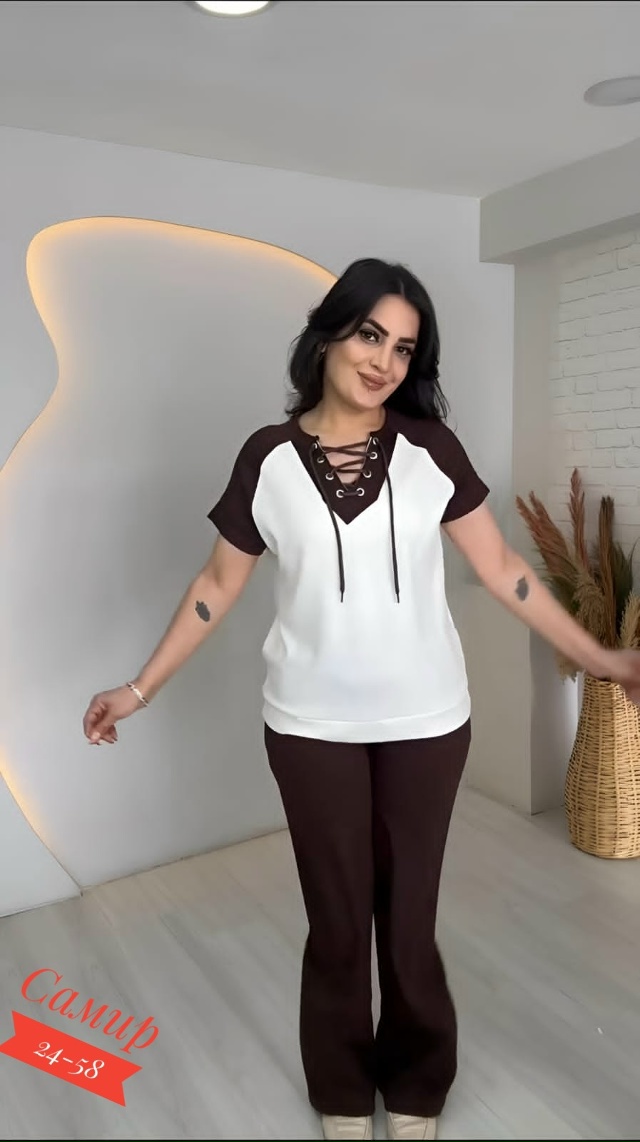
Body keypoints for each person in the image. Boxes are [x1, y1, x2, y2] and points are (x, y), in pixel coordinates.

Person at [82, 258, 640, 1142]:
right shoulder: (266, 458)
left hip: (428, 724)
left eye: (404, 348)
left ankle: (416, 1084)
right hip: (309, 728)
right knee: (338, 922)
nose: (384, 360)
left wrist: (599, 655)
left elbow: (502, 569)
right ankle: (342, 1093)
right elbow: (216, 586)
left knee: (408, 922)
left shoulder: (431, 450)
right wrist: (139, 688)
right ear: (329, 334)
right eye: (370, 334)